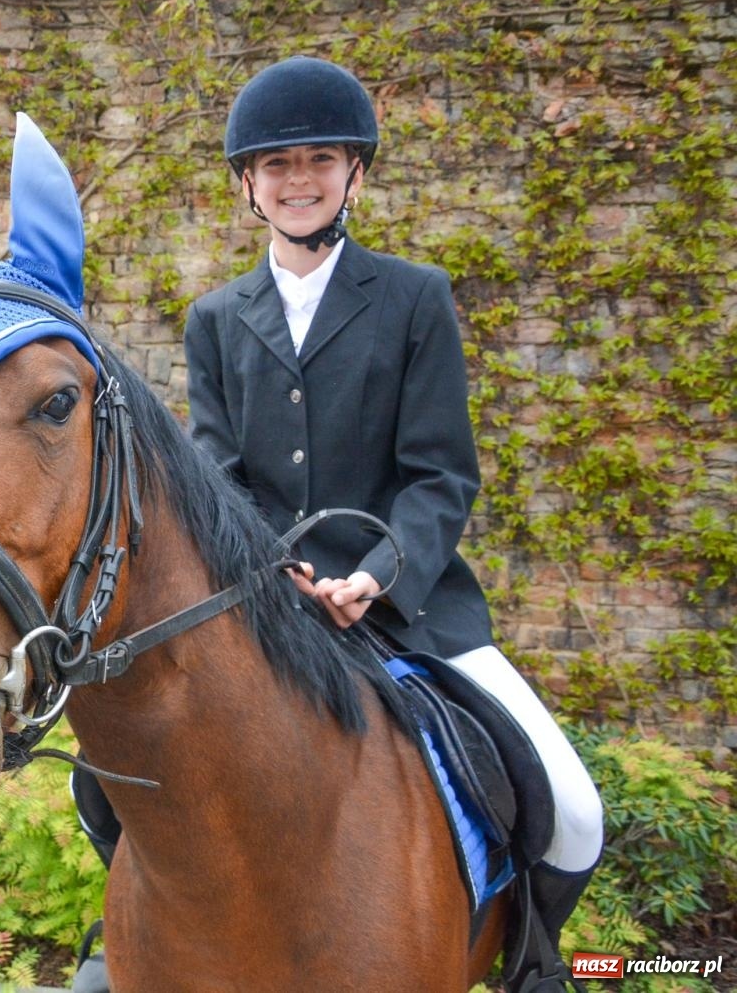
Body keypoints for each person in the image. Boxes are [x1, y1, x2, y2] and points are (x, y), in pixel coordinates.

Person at [72, 56, 605, 993]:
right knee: (100, 780)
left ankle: (530, 958)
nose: (299, 179)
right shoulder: (216, 317)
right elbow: (219, 479)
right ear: (247, 184)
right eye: (276, 164)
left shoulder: (413, 296)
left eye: (320, 159)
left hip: (409, 607)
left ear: (354, 173)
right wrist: (271, 570)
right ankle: (142, 935)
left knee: (571, 806)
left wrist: (377, 576)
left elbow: (440, 474)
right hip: (262, 606)